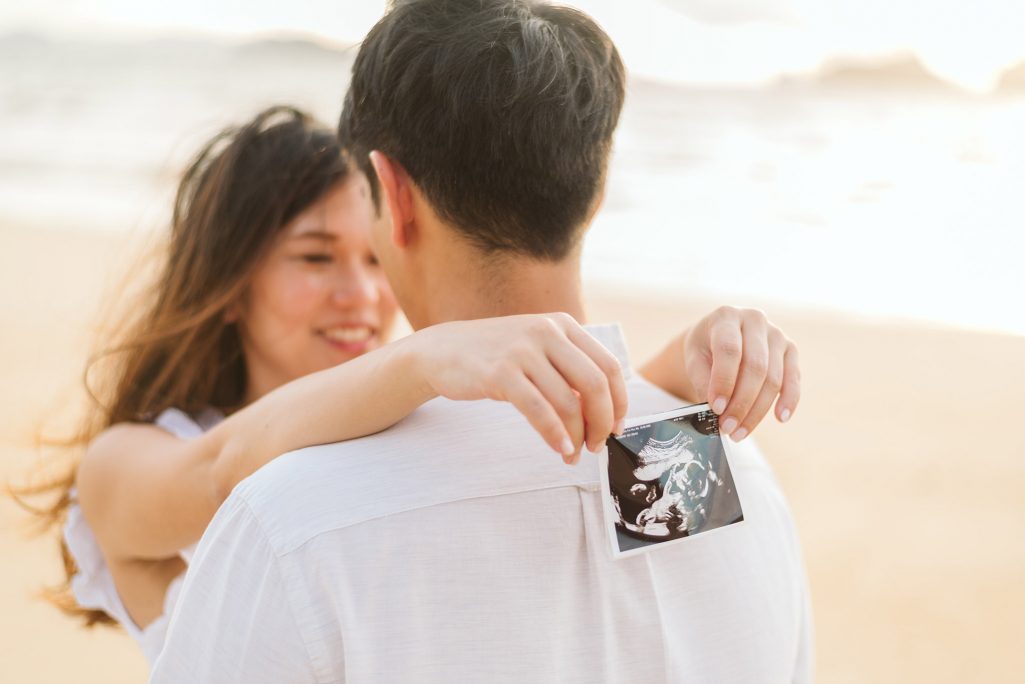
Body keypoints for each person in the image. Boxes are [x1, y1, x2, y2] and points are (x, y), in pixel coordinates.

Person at [151, 2, 811, 682]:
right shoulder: (736, 481)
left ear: (394, 196)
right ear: (595, 190)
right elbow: (601, 486)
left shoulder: (294, 520)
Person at [19, 104, 798, 667]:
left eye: (370, 257)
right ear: (229, 282)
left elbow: (620, 489)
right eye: (315, 258)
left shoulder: (435, 436)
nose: (359, 296)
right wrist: (419, 359)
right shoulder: (139, 462)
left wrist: (685, 366)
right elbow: (226, 469)